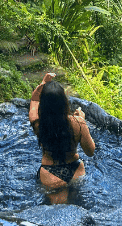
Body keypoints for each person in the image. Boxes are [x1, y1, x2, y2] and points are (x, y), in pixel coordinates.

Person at [29, 72, 95, 203]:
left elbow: (34, 101)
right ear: (64, 102)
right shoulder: (77, 123)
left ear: (44, 104)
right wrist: (82, 121)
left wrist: (42, 84)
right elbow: (90, 151)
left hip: (50, 175)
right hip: (76, 172)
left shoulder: (37, 122)